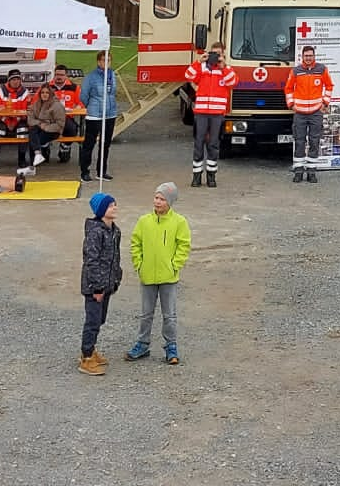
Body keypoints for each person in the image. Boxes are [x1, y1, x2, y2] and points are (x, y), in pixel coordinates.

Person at [126, 182, 191, 366]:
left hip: (168, 278)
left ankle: (171, 346)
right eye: (156, 197)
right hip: (147, 276)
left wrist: (174, 265)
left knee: (169, 314)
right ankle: (142, 343)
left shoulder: (179, 222)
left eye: (162, 199)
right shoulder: (144, 221)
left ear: (170, 202)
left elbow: (183, 245)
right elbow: (135, 243)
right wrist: (139, 264)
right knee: (146, 313)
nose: (158, 202)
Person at [78, 192, 121, 375]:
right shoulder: (96, 232)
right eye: (111, 205)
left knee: (100, 318)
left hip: (108, 284)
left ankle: (91, 348)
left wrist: (116, 277)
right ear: (102, 210)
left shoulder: (114, 231)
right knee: (93, 320)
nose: (115, 208)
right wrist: (97, 287)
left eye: (115, 204)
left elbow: (115, 257)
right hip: (95, 286)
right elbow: (91, 260)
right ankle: (86, 357)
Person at [182, 48, 237, 188]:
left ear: (223, 55)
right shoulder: (202, 68)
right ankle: (196, 176)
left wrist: (223, 66)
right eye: (213, 54)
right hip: (201, 113)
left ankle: (211, 177)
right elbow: (188, 76)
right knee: (198, 144)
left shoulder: (227, 70)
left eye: (218, 54)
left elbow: (233, 83)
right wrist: (198, 61)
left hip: (217, 114)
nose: (215, 57)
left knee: (213, 145)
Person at [285, 45, 333, 186]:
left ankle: (311, 172)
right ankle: (298, 171)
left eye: (310, 55)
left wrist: (325, 102)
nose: (308, 58)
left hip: (316, 113)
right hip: (299, 113)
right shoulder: (296, 71)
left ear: (314, 56)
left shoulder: (321, 69)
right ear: (302, 56)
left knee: (314, 142)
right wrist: (291, 104)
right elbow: (288, 88)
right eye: (306, 56)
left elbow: (329, 86)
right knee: (299, 142)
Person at [79, 51, 119, 183]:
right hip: (95, 115)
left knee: (105, 144)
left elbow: (113, 92)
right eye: (103, 60)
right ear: (98, 61)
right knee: (89, 144)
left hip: (110, 113)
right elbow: (84, 95)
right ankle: (85, 171)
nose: (105, 63)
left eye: (108, 60)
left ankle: (102, 171)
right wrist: (91, 106)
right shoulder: (91, 77)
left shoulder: (112, 74)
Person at [0, 68, 30, 170]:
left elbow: (25, 110)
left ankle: (22, 159)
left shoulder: (25, 92)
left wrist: (15, 120)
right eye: (13, 79)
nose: (16, 82)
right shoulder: (1, 92)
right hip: (3, 119)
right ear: (9, 80)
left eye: (18, 79)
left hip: (19, 120)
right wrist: (7, 120)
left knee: (23, 131)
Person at [28, 73, 73, 168]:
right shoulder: (36, 104)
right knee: (33, 131)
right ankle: (37, 156)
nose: (44, 95)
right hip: (40, 129)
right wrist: (41, 124)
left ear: (50, 94)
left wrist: (46, 127)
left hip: (53, 131)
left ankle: (34, 162)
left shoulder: (57, 106)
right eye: (42, 93)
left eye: (47, 93)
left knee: (33, 139)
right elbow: (30, 120)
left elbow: (60, 125)